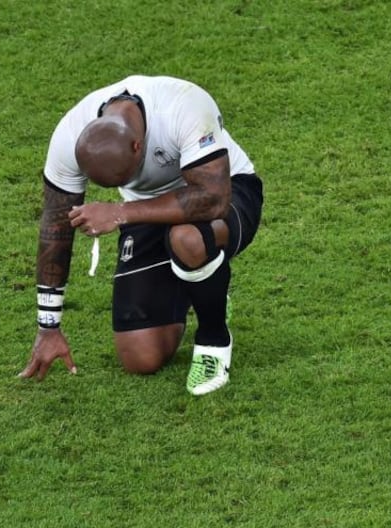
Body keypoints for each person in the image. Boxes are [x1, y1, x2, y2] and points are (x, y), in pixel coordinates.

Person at [18, 75, 263, 395]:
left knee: (187, 239)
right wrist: (48, 327)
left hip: (227, 194)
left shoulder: (184, 105)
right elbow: (55, 229)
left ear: (138, 145)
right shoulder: (69, 133)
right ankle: (202, 286)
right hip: (147, 209)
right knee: (141, 356)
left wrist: (121, 213)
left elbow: (213, 199)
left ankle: (213, 339)